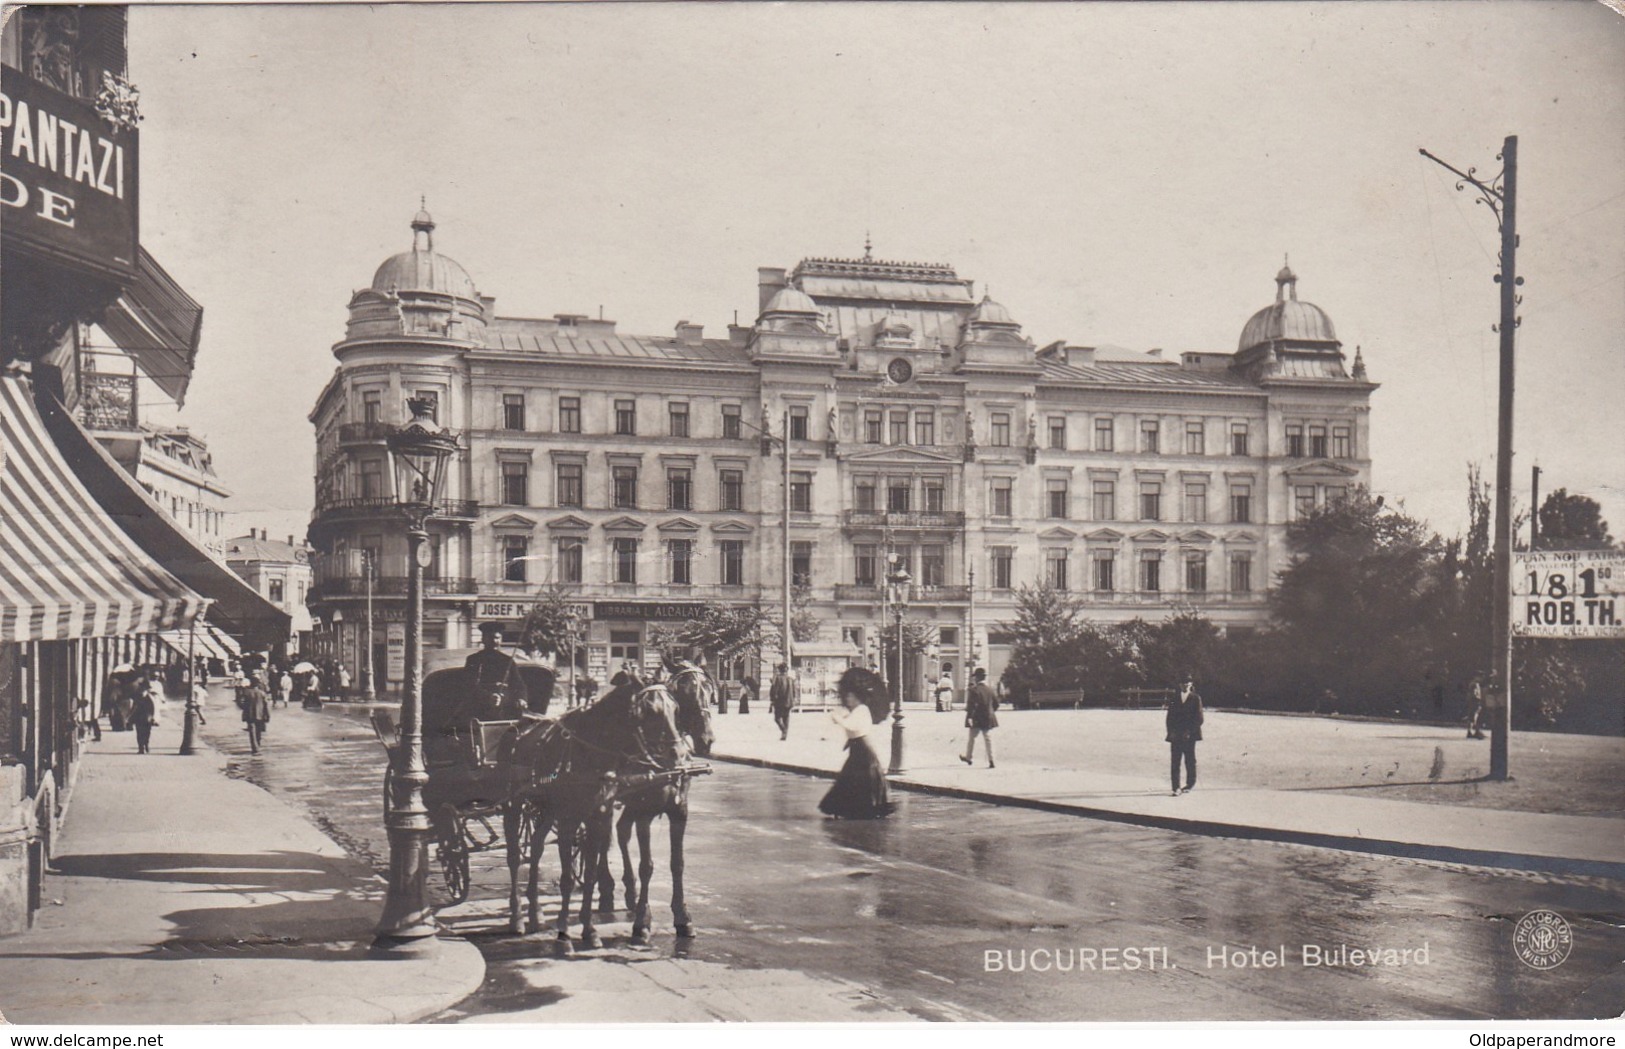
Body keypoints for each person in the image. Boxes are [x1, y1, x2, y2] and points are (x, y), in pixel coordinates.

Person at [818, 667, 895, 819]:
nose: (847, 699)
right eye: (847, 696)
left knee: (859, 777)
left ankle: (864, 807)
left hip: (863, 748)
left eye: (851, 696)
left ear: (857, 697)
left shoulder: (862, 709)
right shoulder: (855, 711)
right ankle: (854, 808)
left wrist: (838, 719)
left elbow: (852, 727)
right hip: (857, 747)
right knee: (852, 778)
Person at [1166, 674, 1204, 796]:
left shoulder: (1196, 698)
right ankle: (1175, 787)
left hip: (1189, 735)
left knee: (1190, 760)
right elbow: (1169, 717)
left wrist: (1189, 731)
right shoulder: (1174, 698)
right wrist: (1171, 732)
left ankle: (1190, 784)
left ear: (1191, 684)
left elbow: (1199, 718)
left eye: (1188, 683)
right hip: (1176, 735)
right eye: (1183, 683)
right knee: (1175, 761)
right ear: (1179, 685)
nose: (1185, 686)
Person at [960, 667, 998, 768]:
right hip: (988, 717)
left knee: (972, 738)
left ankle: (969, 757)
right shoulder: (990, 689)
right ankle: (992, 760)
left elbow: (971, 705)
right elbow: (996, 704)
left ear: (977, 678)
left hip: (976, 718)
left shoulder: (974, 690)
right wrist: (990, 711)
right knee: (988, 738)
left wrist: (969, 717)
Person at [237, 677, 272, 754]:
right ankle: (258, 745)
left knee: (252, 731)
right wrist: (268, 716)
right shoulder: (262, 693)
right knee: (258, 731)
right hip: (260, 715)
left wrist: (245, 708)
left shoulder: (246, 693)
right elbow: (266, 706)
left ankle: (255, 748)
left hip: (249, 715)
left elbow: (240, 703)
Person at [129, 677, 159, 755]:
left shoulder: (149, 698)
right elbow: (133, 708)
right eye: (142, 688)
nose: (143, 690)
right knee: (139, 733)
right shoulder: (137, 697)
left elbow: (153, 709)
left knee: (147, 733)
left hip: (147, 719)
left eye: (145, 689)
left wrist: (152, 718)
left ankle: (146, 744)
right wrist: (130, 717)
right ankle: (141, 748)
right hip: (138, 718)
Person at [769, 663, 797, 740]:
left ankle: (784, 730)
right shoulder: (790, 679)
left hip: (780, 702)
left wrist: (773, 700)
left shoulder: (778, 679)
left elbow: (775, 690)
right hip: (789, 702)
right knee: (786, 717)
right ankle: (784, 734)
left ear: (780, 670)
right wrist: (793, 699)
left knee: (777, 718)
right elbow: (794, 691)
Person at [1465, 675, 1486, 739]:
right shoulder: (1475, 684)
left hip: (1472, 702)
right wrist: (1479, 699)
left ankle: (1470, 732)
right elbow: (1474, 693)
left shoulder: (1472, 683)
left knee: (1471, 718)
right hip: (1475, 702)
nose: (1481, 679)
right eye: (1480, 677)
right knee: (1474, 717)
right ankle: (1477, 732)